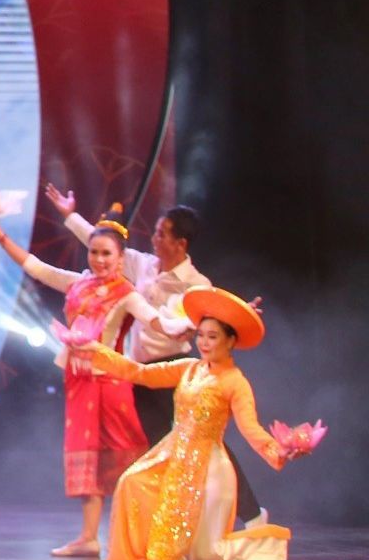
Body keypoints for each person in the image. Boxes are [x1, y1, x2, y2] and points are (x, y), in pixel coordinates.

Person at [45, 185, 264, 525]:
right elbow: (100, 242)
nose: (154, 238)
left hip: (171, 374)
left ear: (180, 244)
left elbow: (215, 317)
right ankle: (162, 522)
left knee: (202, 442)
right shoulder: (142, 265)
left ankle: (250, 513)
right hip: (137, 373)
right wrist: (69, 215)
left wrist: (240, 314)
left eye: (162, 234)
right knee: (150, 450)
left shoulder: (196, 284)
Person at [0, 210, 190, 556]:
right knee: (86, 455)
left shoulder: (126, 292)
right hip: (78, 380)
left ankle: (146, 533)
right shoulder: (78, 283)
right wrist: (1, 238)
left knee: (126, 456)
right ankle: (89, 537)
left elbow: (156, 321)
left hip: (110, 382)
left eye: (107, 253)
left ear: (120, 258)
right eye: (94, 252)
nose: (99, 259)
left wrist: (181, 327)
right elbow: (37, 268)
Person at [80, 287, 304, 560]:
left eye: (213, 337)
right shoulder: (189, 368)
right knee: (131, 481)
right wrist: (98, 353)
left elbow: (251, 428)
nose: (204, 343)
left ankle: (269, 544)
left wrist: (279, 450)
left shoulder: (235, 381)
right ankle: (146, 554)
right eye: (201, 335)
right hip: (173, 455)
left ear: (230, 341)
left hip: (210, 467)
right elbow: (141, 373)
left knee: (207, 556)